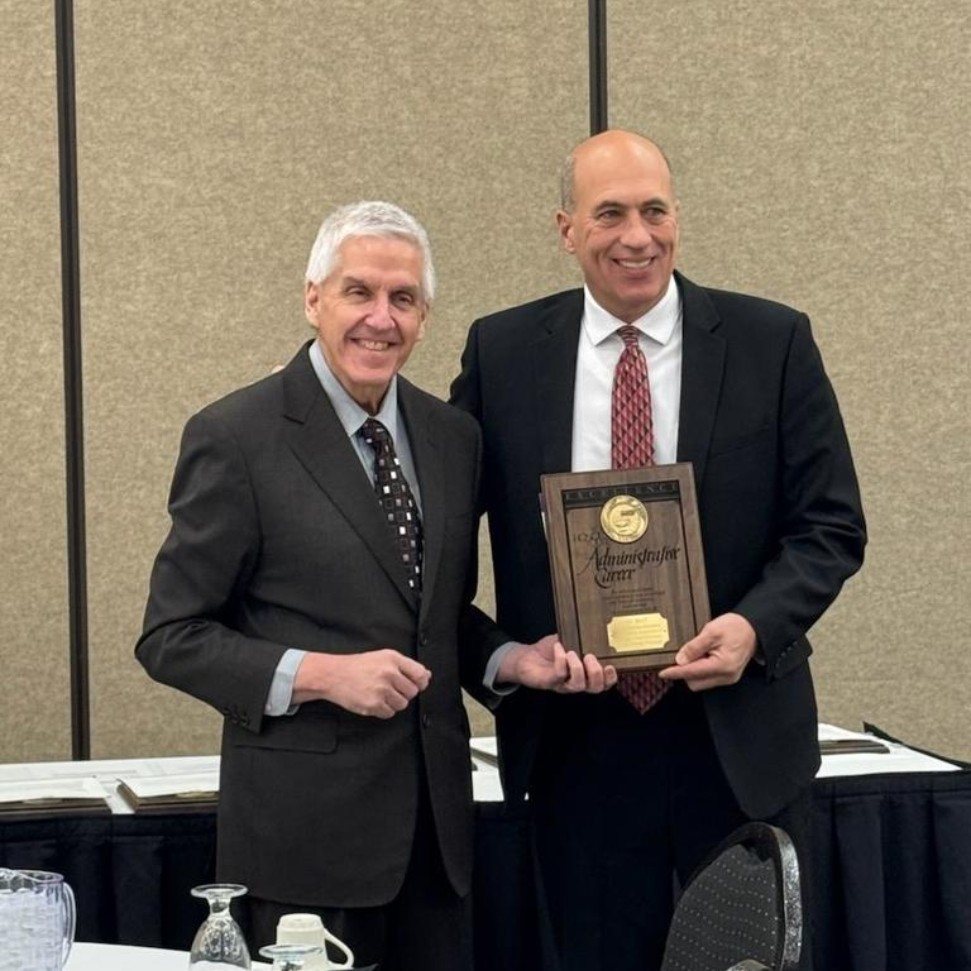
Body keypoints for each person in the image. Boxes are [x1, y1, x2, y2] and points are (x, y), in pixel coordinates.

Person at [450, 130, 867, 971]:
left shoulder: (771, 341)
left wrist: (752, 628)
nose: (636, 236)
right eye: (609, 214)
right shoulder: (502, 353)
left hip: (737, 736)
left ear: (678, 217)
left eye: (654, 210)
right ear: (566, 229)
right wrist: (503, 656)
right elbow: (441, 547)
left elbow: (829, 525)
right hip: (580, 745)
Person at [135, 201, 571, 971]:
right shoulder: (236, 437)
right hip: (303, 849)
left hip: (436, 847)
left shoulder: (453, 437)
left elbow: (434, 613)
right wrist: (319, 674)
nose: (380, 317)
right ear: (314, 299)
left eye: (402, 298)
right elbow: (170, 636)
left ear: (424, 316)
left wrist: (510, 660)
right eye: (357, 291)